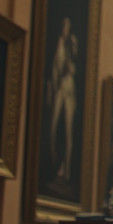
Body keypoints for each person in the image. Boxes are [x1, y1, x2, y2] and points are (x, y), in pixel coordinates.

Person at [47, 16, 78, 181]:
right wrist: (50, 87)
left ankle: (66, 168)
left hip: (69, 89)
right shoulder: (58, 44)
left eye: (67, 25)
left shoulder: (71, 44)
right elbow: (53, 68)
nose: (64, 28)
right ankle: (54, 162)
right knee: (52, 127)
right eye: (63, 25)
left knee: (68, 131)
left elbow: (72, 68)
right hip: (59, 87)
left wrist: (71, 48)